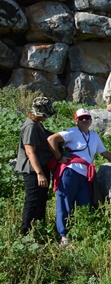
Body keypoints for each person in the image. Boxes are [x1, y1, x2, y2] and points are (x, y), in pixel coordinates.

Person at [48, 109, 111, 245]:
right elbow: (52, 139)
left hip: (85, 175)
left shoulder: (94, 136)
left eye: (87, 118)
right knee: (65, 203)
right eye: (81, 118)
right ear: (77, 120)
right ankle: (63, 236)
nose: (85, 120)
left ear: (91, 120)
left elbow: (104, 152)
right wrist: (59, 157)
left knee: (84, 204)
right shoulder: (72, 132)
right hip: (70, 171)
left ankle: (81, 234)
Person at [16, 96, 56, 235]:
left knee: (41, 199)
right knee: (32, 200)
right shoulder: (30, 126)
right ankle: (25, 233)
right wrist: (40, 174)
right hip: (33, 170)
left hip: (41, 167)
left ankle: (39, 230)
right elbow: (30, 152)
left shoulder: (37, 123)